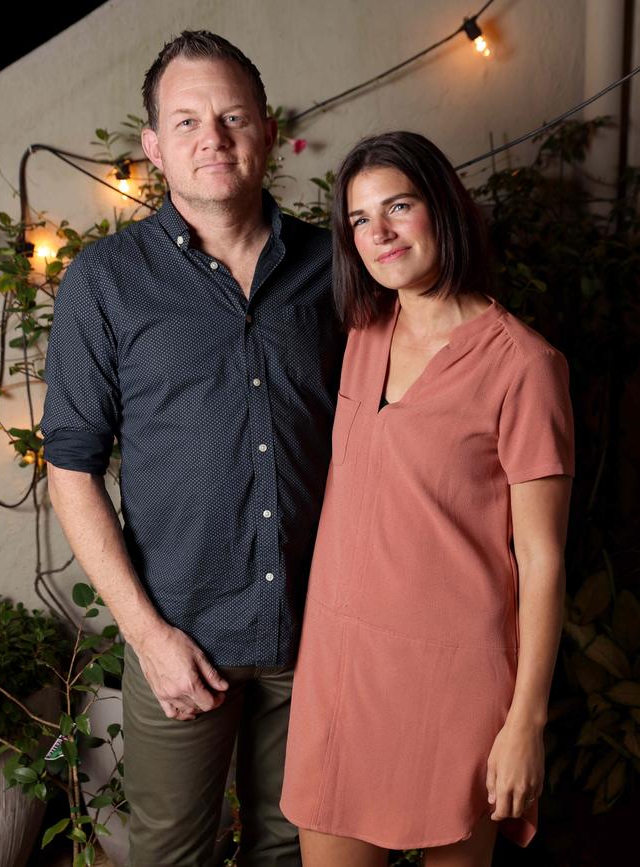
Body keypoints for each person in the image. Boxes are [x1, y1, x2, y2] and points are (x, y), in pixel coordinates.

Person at [40, 30, 344, 867]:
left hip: (318, 634)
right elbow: (70, 471)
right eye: (186, 121)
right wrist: (147, 635)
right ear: (153, 148)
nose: (212, 136)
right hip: (182, 640)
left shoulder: (337, 267)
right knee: (171, 857)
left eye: (231, 115)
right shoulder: (104, 281)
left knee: (292, 851)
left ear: (268, 132)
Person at [279, 131, 575, 867]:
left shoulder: (526, 366)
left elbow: (541, 559)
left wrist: (524, 723)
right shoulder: (362, 333)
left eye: (398, 206)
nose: (378, 233)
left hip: (454, 687)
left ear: (442, 208)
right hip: (341, 671)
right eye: (358, 219)